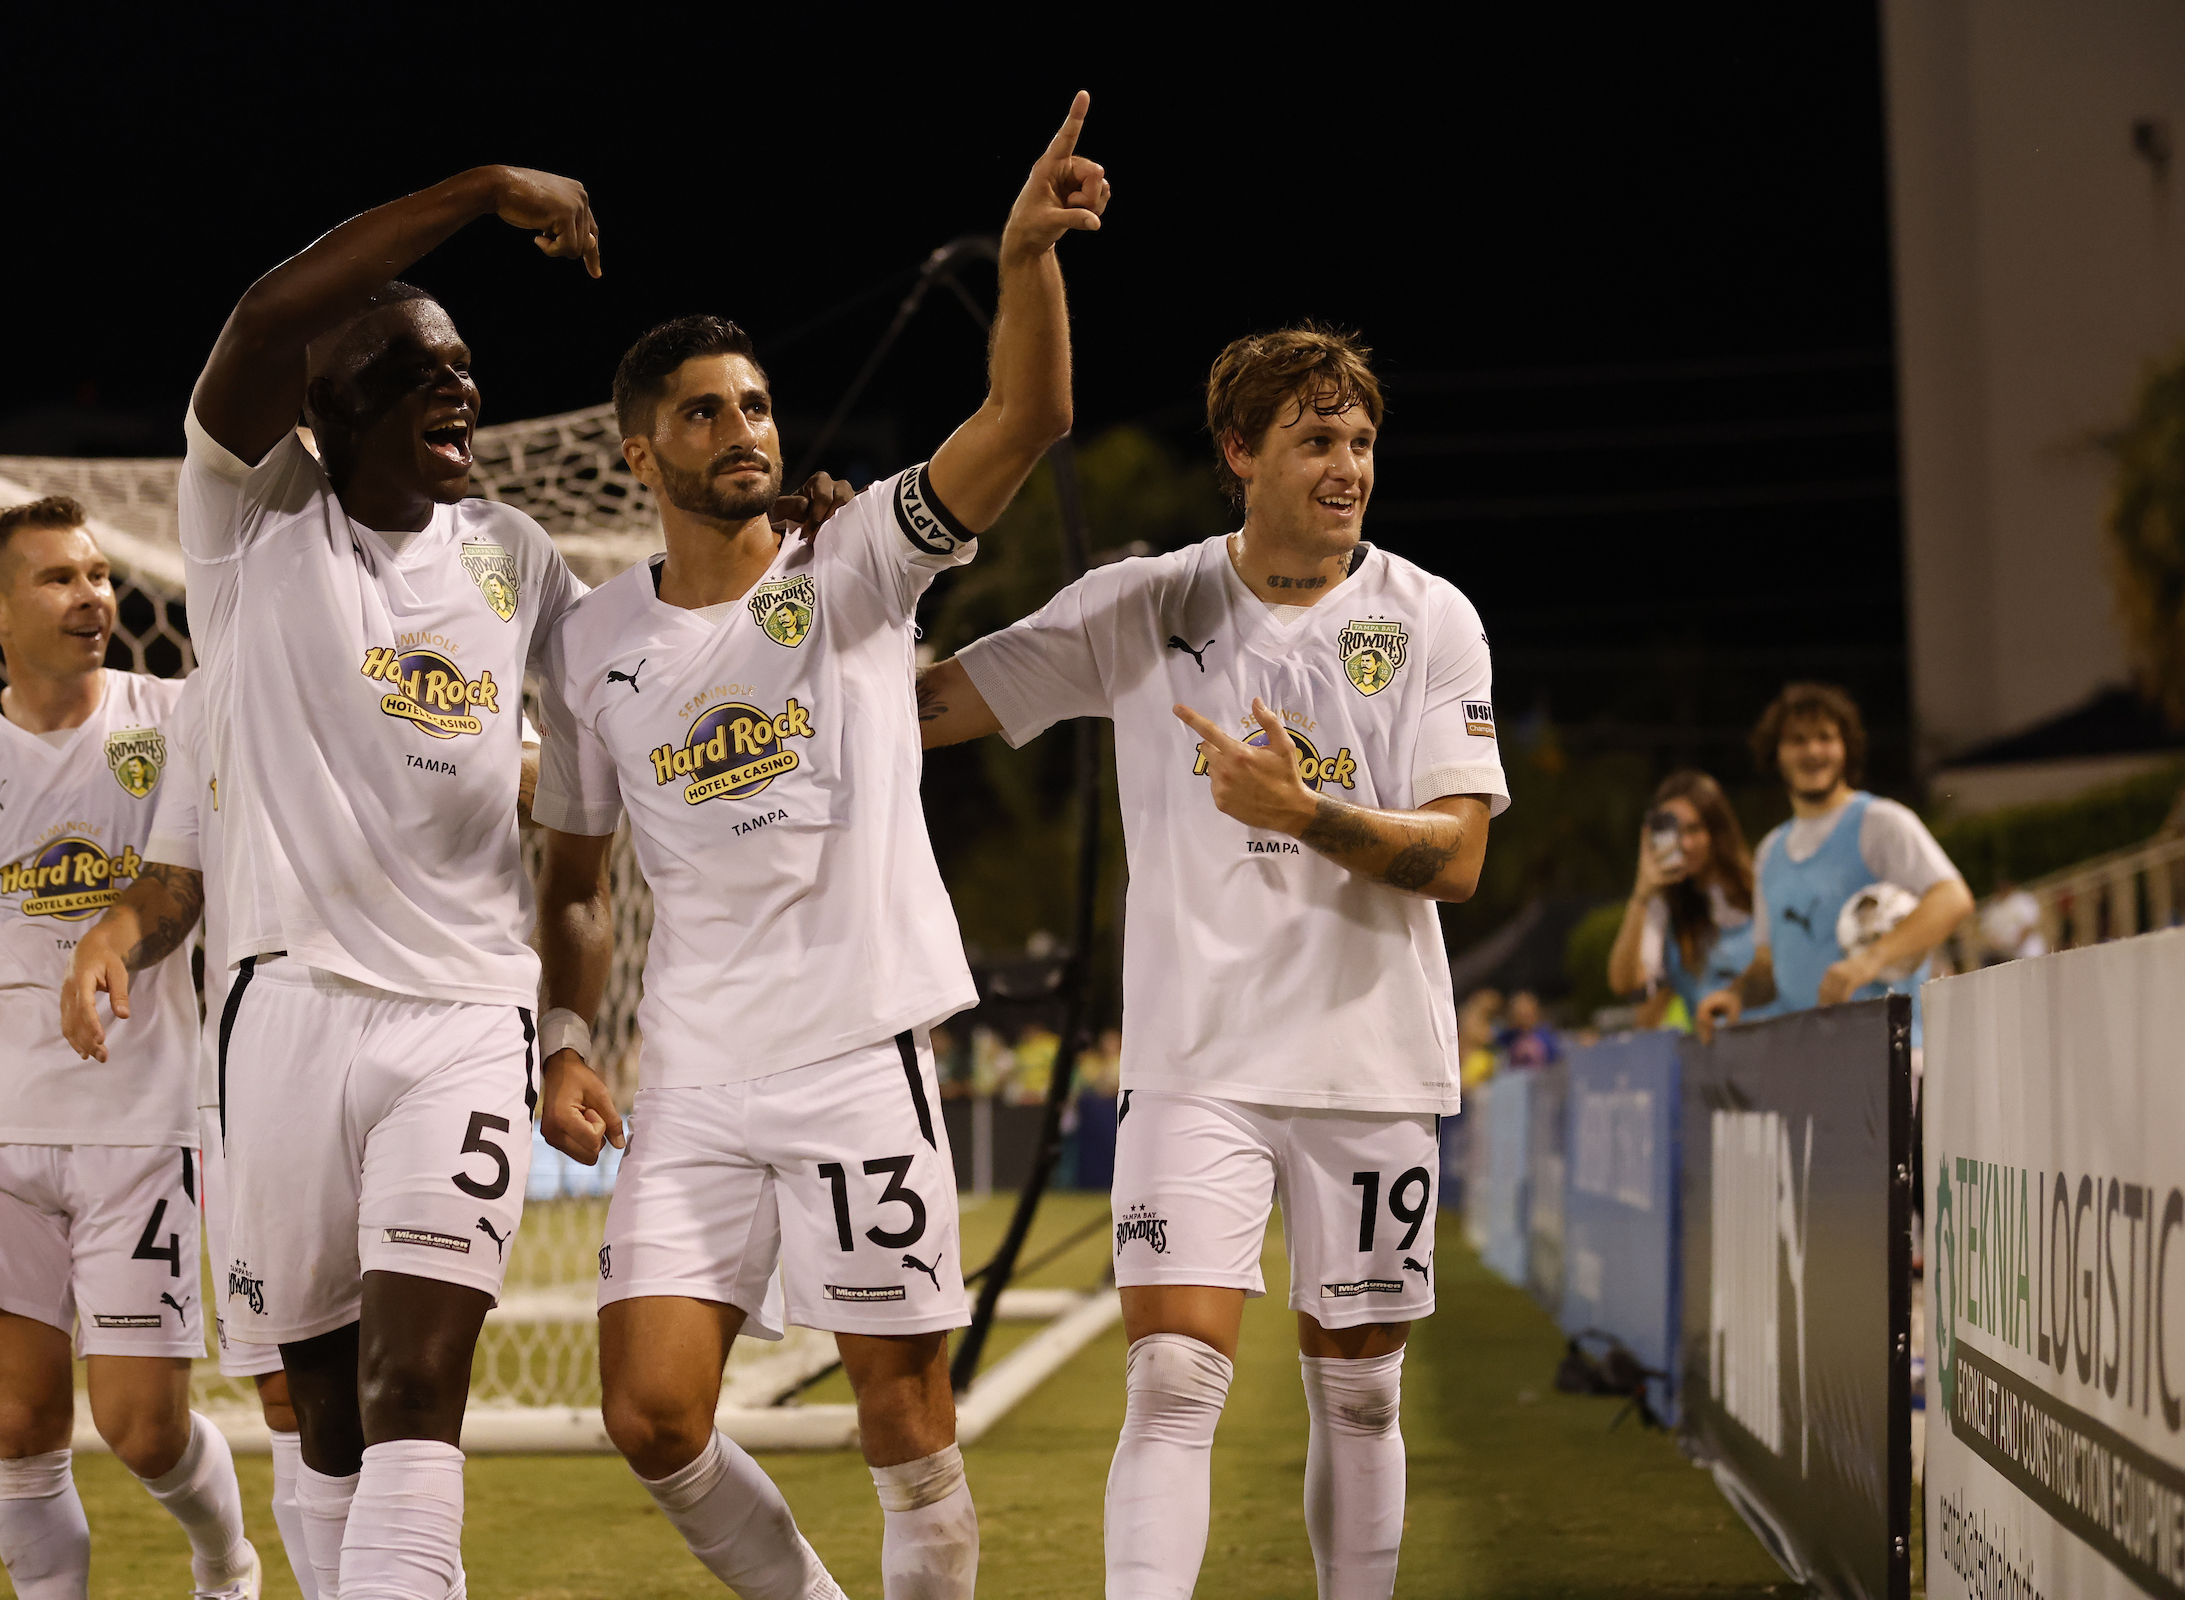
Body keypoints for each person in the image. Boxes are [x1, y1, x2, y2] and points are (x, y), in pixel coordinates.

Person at [528, 93, 1108, 1600]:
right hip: (697, 1074)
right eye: (709, 411)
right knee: (649, 1416)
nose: (747, 431)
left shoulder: (854, 566)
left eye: (760, 407)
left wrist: (1026, 258)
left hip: (858, 1054)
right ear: (639, 450)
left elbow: (1024, 422)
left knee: (906, 1426)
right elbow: (578, 875)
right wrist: (567, 1034)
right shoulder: (588, 642)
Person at [918, 321, 1506, 1598]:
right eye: (1314, 440)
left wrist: (1306, 813)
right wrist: (805, 620)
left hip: (1373, 1062)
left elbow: (1457, 861)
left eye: (1359, 441)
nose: (1347, 466)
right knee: (1174, 1375)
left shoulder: (1431, 619)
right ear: (1241, 452)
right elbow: (937, 703)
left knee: (1358, 1395)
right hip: (1197, 1066)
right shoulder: (1144, 604)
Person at [167, 163, 610, 1600]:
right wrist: (484, 189)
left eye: (466, 370)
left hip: (461, 1019)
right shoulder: (249, 523)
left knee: (421, 1380)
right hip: (282, 1014)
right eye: (416, 369)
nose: (459, 391)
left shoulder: (516, 556)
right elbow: (258, 316)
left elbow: (632, 712)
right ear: (327, 405)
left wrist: (774, 559)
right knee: (326, 1415)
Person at [0, 497, 257, 1600]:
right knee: (21, 1418)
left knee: (141, 1428)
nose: (93, 597)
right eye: (60, 579)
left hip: (143, 1130)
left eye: (100, 575)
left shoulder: (175, 719)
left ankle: (227, 1558)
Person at [59, 671, 312, 1596]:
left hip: (435, 1028)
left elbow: (544, 778)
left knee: (407, 1376)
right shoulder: (216, 695)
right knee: (291, 1387)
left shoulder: (441, 624)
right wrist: (106, 940)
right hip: (255, 1057)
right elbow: (173, 886)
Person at [1696, 683, 1973, 1041]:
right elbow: (1767, 964)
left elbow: (1953, 898)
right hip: (1810, 1058)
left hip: (1890, 1051)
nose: (1813, 750)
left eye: (1825, 737)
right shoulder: (1769, 852)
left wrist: (1868, 960)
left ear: (1846, 748)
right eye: (1797, 740)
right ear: (1776, 753)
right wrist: (1734, 995)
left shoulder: (1880, 822)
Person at [1606, 770, 1761, 1025]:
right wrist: (1642, 893)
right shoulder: (1666, 908)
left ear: (1716, 829)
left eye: (1694, 828)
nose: (1686, 844)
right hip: (1717, 1057)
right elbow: (1624, 984)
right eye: (1675, 833)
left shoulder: (1760, 885)